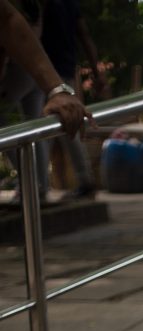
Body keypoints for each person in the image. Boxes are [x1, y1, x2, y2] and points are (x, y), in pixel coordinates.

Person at [0, 0, 87, 203]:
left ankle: (34, 185)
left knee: (33, 125)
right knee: (37, 126)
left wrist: (56, 88)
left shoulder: (54, 6)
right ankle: (37, 186)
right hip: (42, 71)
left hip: (35, 69)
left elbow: (7, 19)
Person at [41, 0, 107, 198]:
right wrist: (97, 72)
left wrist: (97, 72)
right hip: (61, 69)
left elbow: (84, 35)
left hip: (48, 72)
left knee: (51, 126)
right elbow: (85, 36)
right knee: (62, 125)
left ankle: (39, 184)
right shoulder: (70, 5)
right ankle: (80, 179)